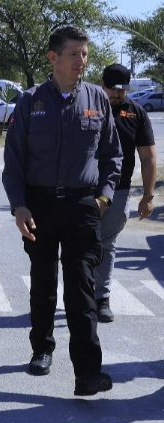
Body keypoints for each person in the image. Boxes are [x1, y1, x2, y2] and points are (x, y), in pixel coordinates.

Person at [2, 26, 122, 396]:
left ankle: (87, 372)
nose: (81, 62)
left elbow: (111, 154)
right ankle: (42, 348)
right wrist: (19, 205)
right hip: (38, 203)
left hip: (83, 204)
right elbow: (14, 159)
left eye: (85, 54)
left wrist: (103, 196)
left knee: (82, 287)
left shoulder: (97, 100)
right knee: (42, 281)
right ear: (53, 58)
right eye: (74, 54)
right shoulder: (31, 101)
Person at [96, 63, 157, 322]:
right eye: (113, 89)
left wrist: (148, 195)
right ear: (103, 85)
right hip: (83, 191)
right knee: (80, 246)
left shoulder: (136, 113)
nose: (118, 95)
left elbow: (148, 157)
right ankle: (79, 295)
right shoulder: (89, 107)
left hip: (118, 192)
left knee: (107, 245)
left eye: (123, 90)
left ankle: (101, 299)